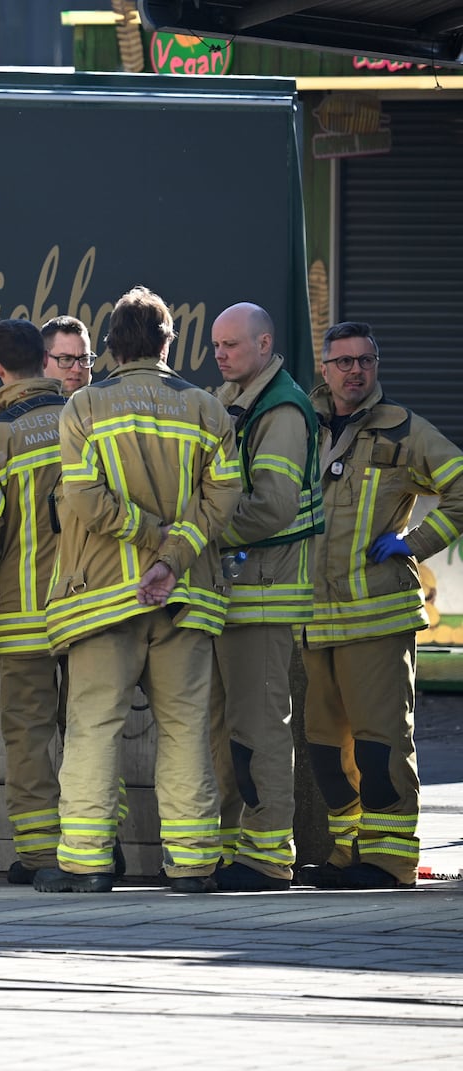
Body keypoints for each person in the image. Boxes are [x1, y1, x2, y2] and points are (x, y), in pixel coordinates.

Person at [37, 286, 240, 894]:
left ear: (111, 348)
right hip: (187, 595)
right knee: (186, 727)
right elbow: (224, 498)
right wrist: (172, 556)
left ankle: (87, 863)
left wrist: (148, 543)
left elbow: (84, 497)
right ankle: (194, 864)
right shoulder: (207, 408)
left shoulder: (84, 408)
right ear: (166, 344)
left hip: (101, 598)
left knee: (94, 724)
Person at [299, 321, 463, 890]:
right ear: (324, 368)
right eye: (342, 361)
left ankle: (390, 861)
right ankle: (347, 853)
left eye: (364, 360)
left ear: (376, 366)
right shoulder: (300, 426)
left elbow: (461, 486)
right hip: (312, 618)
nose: (354, 371)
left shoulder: (405, 431)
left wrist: (414, 543)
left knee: (380, 744)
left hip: (378, 618)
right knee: (325, 749)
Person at [205, 303, 322, 892]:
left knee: (258, 729)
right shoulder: (238, 400)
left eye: (231, 345)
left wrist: (200, 530)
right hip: (237, 595)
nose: (220, 354)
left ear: (265, 343)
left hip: (264, 596)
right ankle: (237, 850)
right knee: (229, 730)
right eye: (216, 344)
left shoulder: (280, 409)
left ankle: (268, 856)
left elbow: (273, 506)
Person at [0, 318, 71, 884]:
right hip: (92, 608)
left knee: (28, 731)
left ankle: (40, 852)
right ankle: (96, 841)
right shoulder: (85, 420)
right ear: (47, 361)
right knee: (91, 725)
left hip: (23, 615)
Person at [41, 315, 95, 396]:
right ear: (44, 360)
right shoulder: (22, 405)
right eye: (66, 359)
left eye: (84, 359)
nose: (77, 369)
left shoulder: (105, 405)